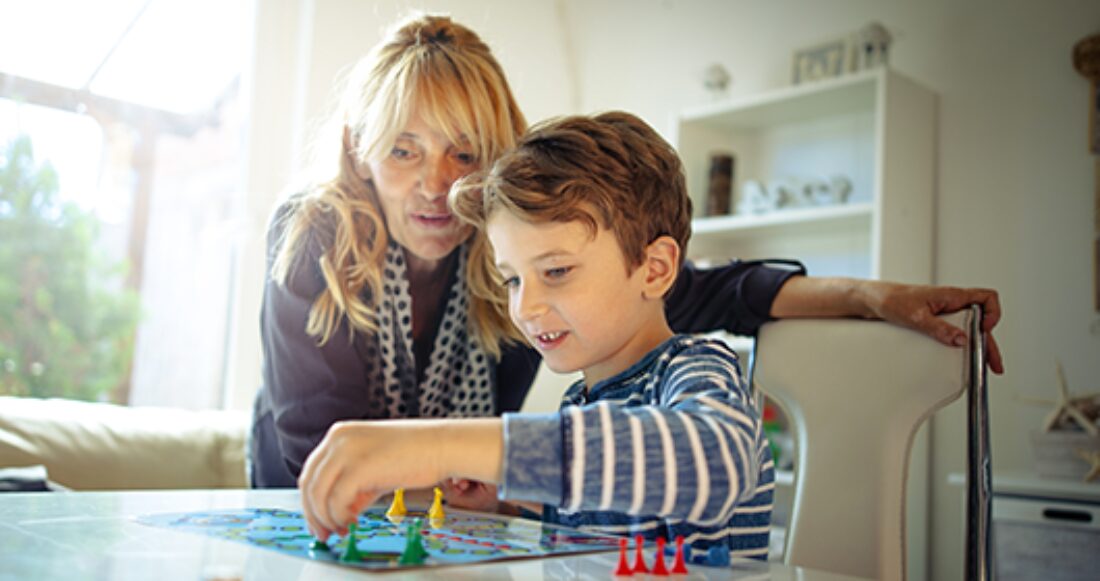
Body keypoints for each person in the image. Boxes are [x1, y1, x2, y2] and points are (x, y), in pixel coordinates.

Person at [250, 13, 1003, 488]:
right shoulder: (317, 234)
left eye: (464, 154)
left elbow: (702, 293)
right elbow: (316, 449)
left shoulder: (522, 257)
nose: (437, 187)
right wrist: (472, 473)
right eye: (404, 152)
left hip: (444, 507)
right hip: (313, 500)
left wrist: (867, 296)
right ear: (360, 149)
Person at [300, 111, 772, 563]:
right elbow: (596, 527)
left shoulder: (694, 367)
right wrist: (504, 508)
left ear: (655, 269)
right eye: (513, 280)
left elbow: (711, 463)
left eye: (557, 271)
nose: (525, 308)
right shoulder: (581, 403)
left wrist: (439, 444)